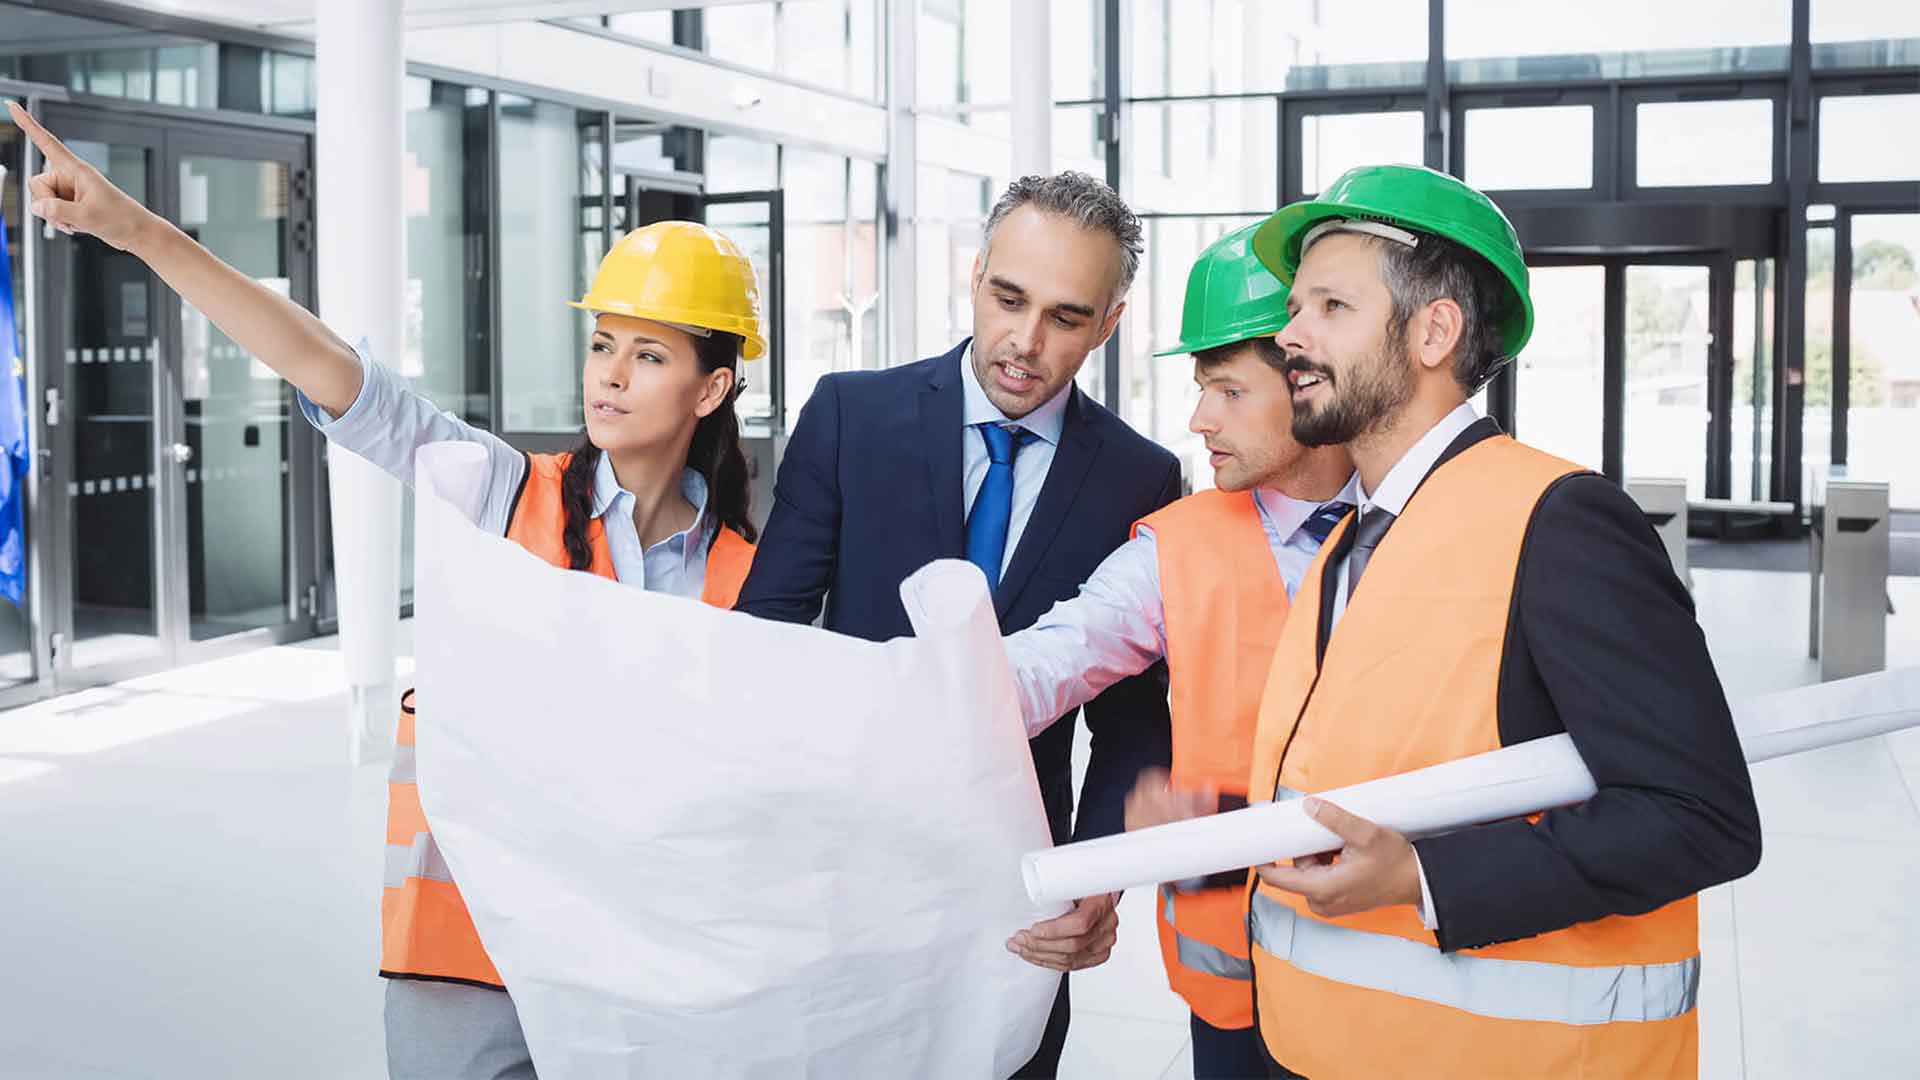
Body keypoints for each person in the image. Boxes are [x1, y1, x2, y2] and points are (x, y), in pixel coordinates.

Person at [11, 99, 764, 1079]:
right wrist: (135, 230)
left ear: (709, 387)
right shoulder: (503, 494)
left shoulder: (752, 576)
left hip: (642, 965)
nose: (610, 376)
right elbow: (340, 379)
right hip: (466, 955)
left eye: (649, 354)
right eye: (602, 344)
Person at [1220, 163, 1759, 1078]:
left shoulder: (1562, 521)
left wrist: (1420, 877)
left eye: (1330, 307)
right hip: (1324, 1045)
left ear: (1434, 330)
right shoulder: (1357, 531)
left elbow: (1699, 817)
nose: (1289, 334)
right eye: (1295, 307)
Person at [732, 171, 1178, 1076]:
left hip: (1016, 888)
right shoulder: (852, 415)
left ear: (1111, 322)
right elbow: (766, 636)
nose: (1025, 341)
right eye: (1008, 298)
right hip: (837, 862)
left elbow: (1133, 723)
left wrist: (1095, 876)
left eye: (1066, 316)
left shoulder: (1143, 476)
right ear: (975, 276)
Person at [1000, 222, 1354, 1078]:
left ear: (1308, 380)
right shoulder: (1175, 546)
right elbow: (1053, 657)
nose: (1199, 421)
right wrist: (895, 693)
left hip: (1397, 977)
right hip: (1236, 991)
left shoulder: (1425, 529)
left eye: (1229, 391)